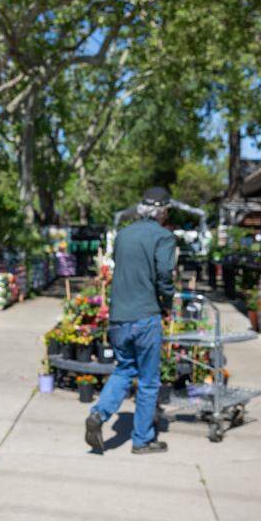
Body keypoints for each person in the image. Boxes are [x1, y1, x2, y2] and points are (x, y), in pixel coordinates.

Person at [85, 186, 176, 454]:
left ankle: (99, 415)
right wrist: (167, 305)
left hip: (119, 317)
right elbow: (164, 277)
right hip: (146, 315)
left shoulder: (123, 235)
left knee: (124, 369)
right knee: (148, 381)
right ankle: (142, 439)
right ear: (162, 211)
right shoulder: (163, 237)